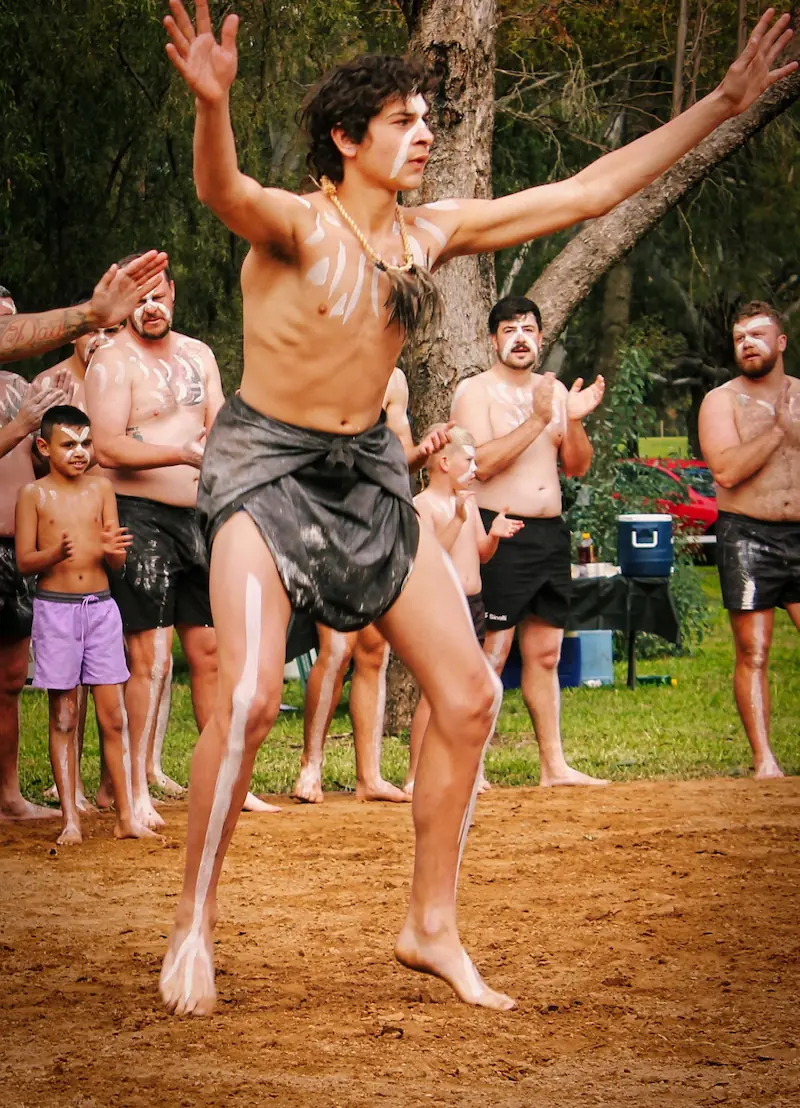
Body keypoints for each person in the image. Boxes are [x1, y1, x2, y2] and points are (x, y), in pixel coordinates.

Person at [160, 0, 795, 1016]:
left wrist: (720, 103)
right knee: (241, 700)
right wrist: (212, 106)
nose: (422, 137)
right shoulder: (292, 222)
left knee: (468, 696)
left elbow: (587, 189)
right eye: (403, 121)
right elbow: (218, 186)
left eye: (428, 121)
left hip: (366, 472)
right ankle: (193, 919)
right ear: (345, 136)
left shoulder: (429, 235)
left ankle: (429, 925)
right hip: (265, 469)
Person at [0, 253, 168, 821]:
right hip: (43, 585)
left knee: (75, 698)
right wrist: (53, 551)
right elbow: (31, 541)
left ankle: (97, 803)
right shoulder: (39, 400)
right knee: (58, 705)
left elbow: (70, 485)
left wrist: (109, 550)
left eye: (11, 320)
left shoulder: (38, 397)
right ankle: (63, 808)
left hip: (80, 596)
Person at [84, 258, 226, 829]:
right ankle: (133, 789)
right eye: (138, 298)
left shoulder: (200, 354)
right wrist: (183, 453)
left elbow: (217, 422)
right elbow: (109, 448)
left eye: (158, 295)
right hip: (139, 514)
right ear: (125, 304)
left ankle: (219, 784)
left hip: (200, 514)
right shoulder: (112, 361)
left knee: (212, 652)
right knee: (147, 658)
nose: (150, 307)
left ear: (172, 295)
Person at [451, 296, 607, 786]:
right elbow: (482, 464)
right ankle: (470, 767)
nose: (520, 337)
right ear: (493, 340)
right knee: (491, 651)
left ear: (541, 339)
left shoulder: (552, 390)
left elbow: (577, 466)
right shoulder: (474, 392)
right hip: (501, 528)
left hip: (548, 533)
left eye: (529, 329)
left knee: (546, 654)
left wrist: (574, 419)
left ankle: (553, 765)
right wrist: (539, 420)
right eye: (509, 329)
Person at [293, 368, 450, 805]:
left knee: (373, 650)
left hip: (376, 519)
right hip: (326, 520)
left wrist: (424, 451)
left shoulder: (392, 378)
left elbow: (399, 459)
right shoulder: (316, 366)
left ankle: (370, 776)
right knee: (337, 649)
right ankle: (312, 764)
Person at [15, 406, 158, 845]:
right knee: (64, 713)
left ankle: (126, 817)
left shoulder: (101, 490)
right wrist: (53, 555)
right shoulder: (33, 495)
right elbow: (24, 562)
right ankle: (70, 820)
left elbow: (116, 558)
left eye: (86, 443)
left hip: (100, 608)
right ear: (44, 447)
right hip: (55, 610)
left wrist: (115, 551)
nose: (80, 452)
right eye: (69, 444)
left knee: (112, 715)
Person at [698, 301, 799, 779]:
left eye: (758, 335)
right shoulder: (721, 400)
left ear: (781, 342)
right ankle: (765, 761)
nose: (748, 344)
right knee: (752, 650)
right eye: (740, 337)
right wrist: (779, 429)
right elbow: (727, 470)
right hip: (747, 533)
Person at [404, 426, 523, 793]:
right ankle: (414, 775)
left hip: (473, 604)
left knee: (472, 689)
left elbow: (481, 554)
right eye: (468, 460)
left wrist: (495, 536)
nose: (475, 467)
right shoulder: (424, 505)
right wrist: (455, 518)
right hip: (443, 606)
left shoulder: (468, 503)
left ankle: (469, 769)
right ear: (443, 462)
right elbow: (430, 556)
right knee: (436, 692)